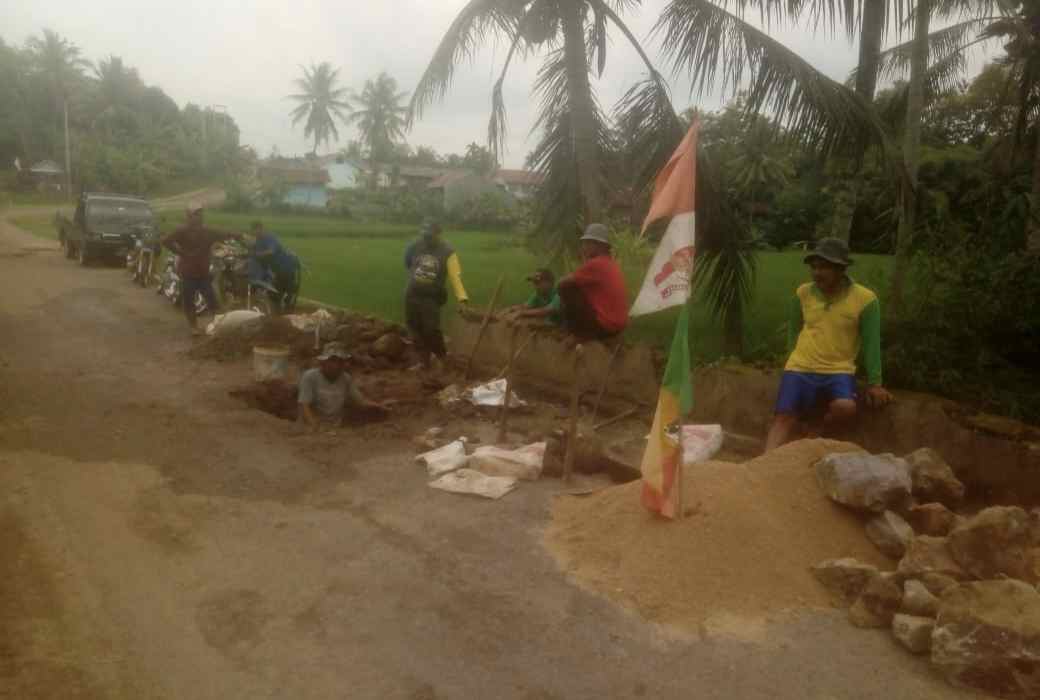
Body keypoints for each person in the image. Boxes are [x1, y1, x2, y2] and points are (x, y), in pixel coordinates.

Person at [764, 237, 894, 451]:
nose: (817, 273)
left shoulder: (866, 300)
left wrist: (875, 382)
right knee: (783, 417)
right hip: (800, 367)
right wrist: (790, 361)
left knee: (846, 408)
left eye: (824, 267)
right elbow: (794, 331)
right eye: (814, 267)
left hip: (838, 370)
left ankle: (817, 429)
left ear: (841, 269)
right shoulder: (803, 293)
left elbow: (871, 342)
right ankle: (763, 464)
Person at [160, 202, 243, 335]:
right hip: (187, 272)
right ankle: (193, 327)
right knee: (189, 301)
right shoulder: (182, 231)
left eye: (200, 214)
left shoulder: (207, 231)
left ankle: (219, 327)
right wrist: (181, 253)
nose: (199, 217)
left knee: (213, 302)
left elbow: (224, 233)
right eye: (196, 214)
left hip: (203, 273)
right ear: (189, 216)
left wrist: (238, 235)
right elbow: (165, 241)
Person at [403, 221, 468, 372]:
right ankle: (423, 362)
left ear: (438, 235)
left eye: (430, 236)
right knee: (414, 328)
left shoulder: (448, 252)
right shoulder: (413, 246)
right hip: (412, 294)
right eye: (425, 236)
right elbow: (408, 263)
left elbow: (455, 277)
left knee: (431, 329)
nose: (426, 239)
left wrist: (462, 299)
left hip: (431, 297)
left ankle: (442, 358)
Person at [556, 223, 629, 340]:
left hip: (604, 327)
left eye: (587, 243)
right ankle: (575, 330)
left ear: (599, 246)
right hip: (617, 327)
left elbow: (562, 283)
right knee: (578, 286)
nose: (584, 247)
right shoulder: (610, 263)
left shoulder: (596, 264)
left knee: (566, 288)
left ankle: (577, 333)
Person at [298, 344, 389, 428]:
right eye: (332, 360)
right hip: (313, 426)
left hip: (336, 427)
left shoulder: (345, 378)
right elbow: (304, 404)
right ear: (323, 362)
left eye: (340, 361)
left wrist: (379, 405)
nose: (336, 365)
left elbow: (361, 401)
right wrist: (314, 425)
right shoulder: (310, 376)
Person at [250, 221, 300, 311]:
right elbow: (254, 249)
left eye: (255, 230)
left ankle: (287, 311)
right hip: (276, 269)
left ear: (260, 228)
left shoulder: (270, 237)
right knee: (275, 292)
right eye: (253, 231)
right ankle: (278, 310)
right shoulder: (258, 239)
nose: (254, 233)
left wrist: (258, 254)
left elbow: (271, 251)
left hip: (285, 267)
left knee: (286, 291)